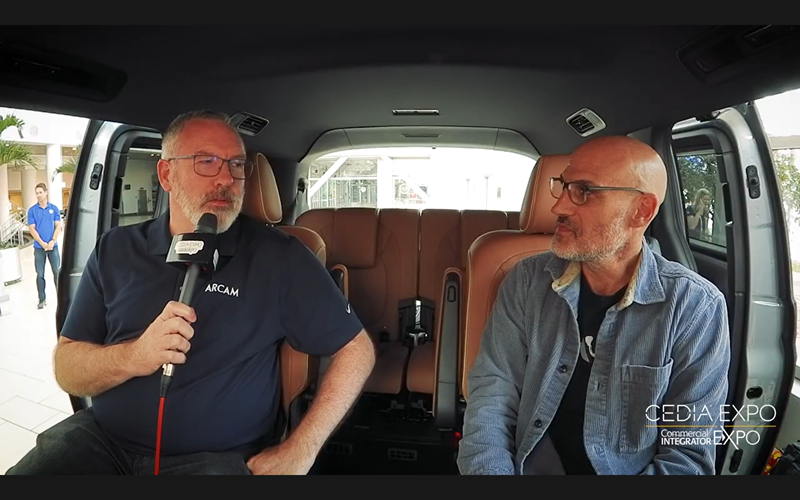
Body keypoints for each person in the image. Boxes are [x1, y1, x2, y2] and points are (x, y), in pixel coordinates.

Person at [6, 110, 376, 475]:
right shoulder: (115, 249)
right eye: (206, 161)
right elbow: (68, 368)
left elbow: (356, 351)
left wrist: (301, 449)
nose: (225, 178)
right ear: (166, 174)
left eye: (235, 164)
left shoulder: (280, 257)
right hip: (100, 442)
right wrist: (135, 356)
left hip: (212, 459)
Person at [457, 136, 730, 475]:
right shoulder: (527, 280)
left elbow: (687, 457)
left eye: (584, 191)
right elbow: (491, 398)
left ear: (641, 210)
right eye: (563, 185)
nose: (558, 207)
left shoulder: (695, 308)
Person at [27, 182, 62, 309]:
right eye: (36, 193)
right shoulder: (32, 211)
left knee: (57, 272)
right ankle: (42, 299)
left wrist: (52, 241)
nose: (39, 195)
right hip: (39, 248)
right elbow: (32, 229)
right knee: (40, 274)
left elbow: (58, 226)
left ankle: (61, 297)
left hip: (53, 247)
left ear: (46, 193)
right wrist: (42, 244)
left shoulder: (54, 208)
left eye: (40, 192)